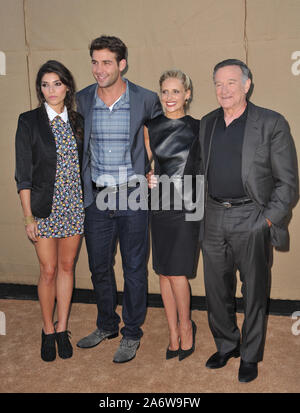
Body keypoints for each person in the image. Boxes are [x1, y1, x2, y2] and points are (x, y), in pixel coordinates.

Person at [199, 59, 299, 382]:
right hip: (213, 215)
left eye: (231, 82)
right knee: (216, 289)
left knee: (254, 290)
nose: (223, 90)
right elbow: (197, 171)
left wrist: (267, 221)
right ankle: (227, 344)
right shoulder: (207, 123)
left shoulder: (271, 123)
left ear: (247, 84)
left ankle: (251, 355)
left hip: (252, 216)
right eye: (218, 83)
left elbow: (289, 183)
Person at [76, 35, 162, 363]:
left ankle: (131, 333)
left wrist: (158, 171)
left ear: (122, 64)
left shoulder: (145, 99)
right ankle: (107, 325)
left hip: (133, 196)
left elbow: (165, 138)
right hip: (96, 198)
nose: (99, 69)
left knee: (134, 268)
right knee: (99, 266)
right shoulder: (82, 100)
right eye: (95, 62)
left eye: (106, 62)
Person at [15, 60, 84, 362]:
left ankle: (62, 327)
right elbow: (23, 174)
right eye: (45, 84)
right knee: (49, 270)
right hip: (44, 209)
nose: (51, 90)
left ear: (67, 86)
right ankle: (46, 330)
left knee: (67, 269)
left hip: (74, 206)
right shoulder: (28, 121)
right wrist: (28, 216)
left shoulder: (78, 122)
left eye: (56, 83)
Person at [145, 70, 201, 360]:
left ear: (187, 94)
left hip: (189, 205)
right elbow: (141, 165)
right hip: (161, 205)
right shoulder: (150, 127)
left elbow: (205, 169)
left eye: (176, 91)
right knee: (163, 271)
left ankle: (187, 326)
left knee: (178, 272)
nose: (169, 98)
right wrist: (147, 176)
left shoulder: (199, 127)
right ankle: (172, 332)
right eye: (165, 92)